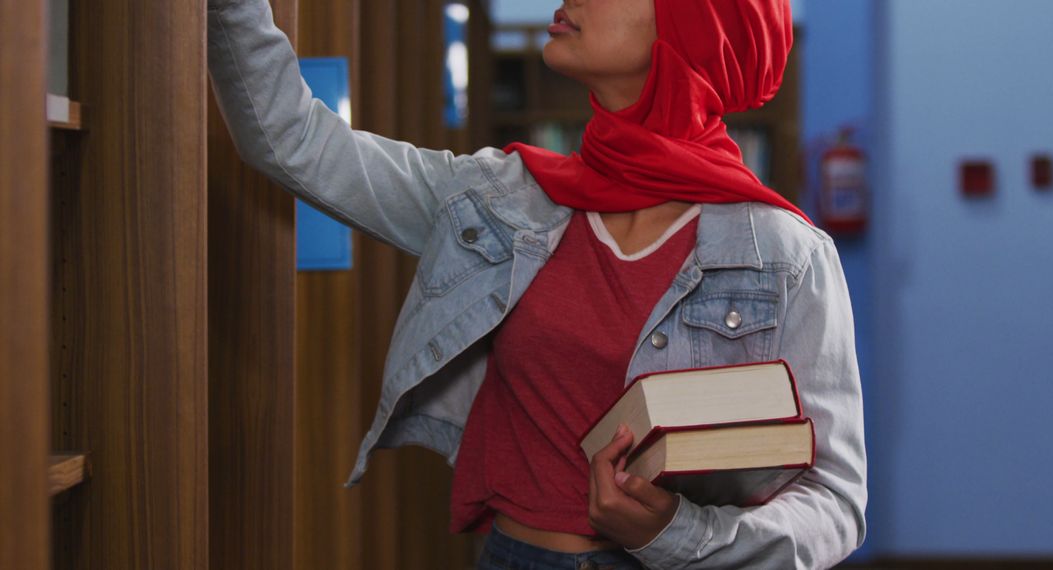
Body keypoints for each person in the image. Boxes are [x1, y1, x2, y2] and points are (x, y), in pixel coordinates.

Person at [207, 0, 868, 567]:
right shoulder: (500, 199)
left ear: (690, 29)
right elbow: (291, 139)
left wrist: (679, 534)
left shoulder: (785, 255)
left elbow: (834, 503)